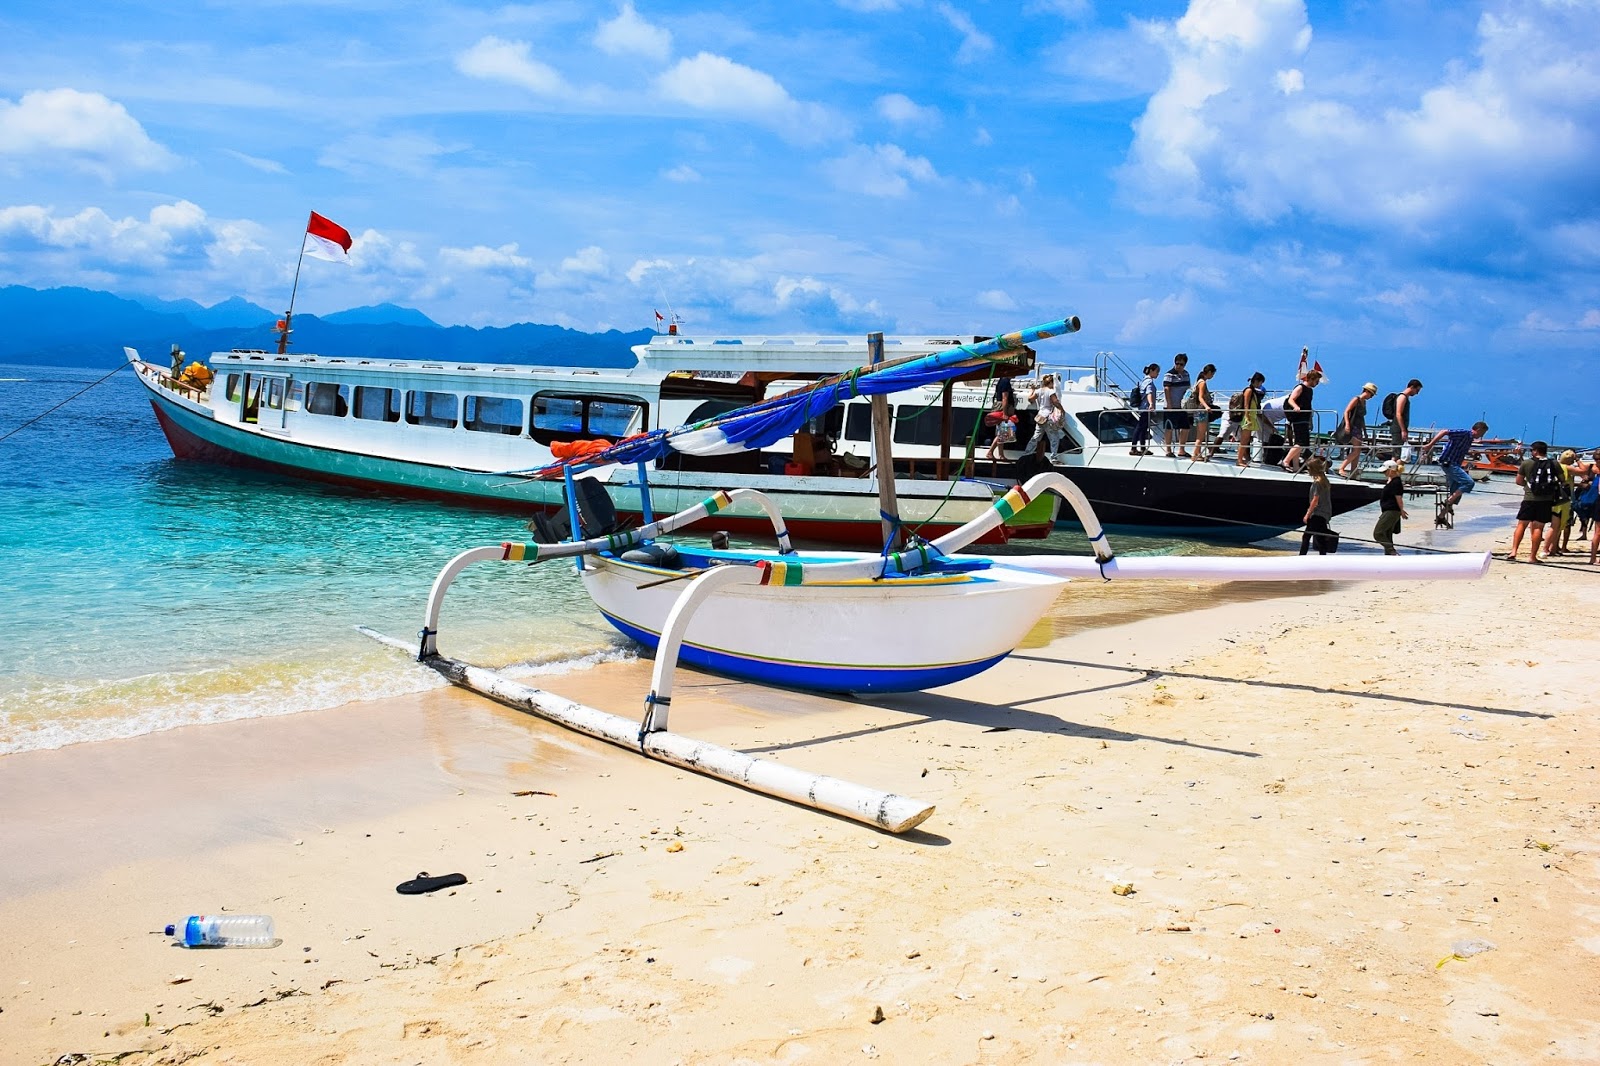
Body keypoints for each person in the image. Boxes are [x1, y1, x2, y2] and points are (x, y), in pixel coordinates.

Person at [1422, 420, 1489, 527]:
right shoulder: (1464, 433)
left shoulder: (1470, 439)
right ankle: (1448, 501)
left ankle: (1441, 516)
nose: (1482, 436)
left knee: (1456, 493)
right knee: (1469, 483)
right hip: (1448, 463)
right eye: (1482, 433)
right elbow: (1444, 431)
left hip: (1456, 465)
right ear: (1478, 430)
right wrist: (1430, 445)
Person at [1507, 440, 1559, 563]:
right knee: (1538, 527)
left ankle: (1514, 551)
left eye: (1531, 450)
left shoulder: (1526, 463)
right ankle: (1532, 557)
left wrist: (1527, 486)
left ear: (1535, 451)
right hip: (1546, 500)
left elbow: (1519, 481)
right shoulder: (1554, 463)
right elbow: (1561, 480)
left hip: (1529, 498)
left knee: (1521, 525)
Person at [1281, 368, 1321, 472]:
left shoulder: (1310, 391)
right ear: (1311, 379)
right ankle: (1285, 461)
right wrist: (1296, 407)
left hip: (1305, 418)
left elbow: (1309, 405)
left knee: (1300, 442)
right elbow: (1291, 399)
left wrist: (1310, 421)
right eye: (1316, 381)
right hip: (1298, 418)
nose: (1317, 383)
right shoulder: (1300, 387)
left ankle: (1295, 466)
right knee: (1301, 442)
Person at [1542, 449, 1578, 557]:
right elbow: (1583, 471)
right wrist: (1578, 460)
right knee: (1561, 526)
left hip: (1554, 499)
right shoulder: (1568, 468)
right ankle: (1553, 548)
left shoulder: (1555, 466)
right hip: (1564, 501)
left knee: (1555, 526)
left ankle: (1553, 548)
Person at [1337, 383, 1377, 479]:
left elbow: (1362, 417)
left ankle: (1353, 471)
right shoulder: (1356, 399)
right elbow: (1347, 411)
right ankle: (1341, 468)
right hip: (1352, 426)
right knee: (1357, 450)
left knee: (1357, 451)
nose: (1371, 397)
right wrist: (1347, 424)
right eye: (1371, 394)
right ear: (1367, 391)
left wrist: (1365, 430)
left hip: (1358, 427)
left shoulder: (1364, 402)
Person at [1299, 456, 1335, 555]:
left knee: (1306, 537)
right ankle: (1323, 557)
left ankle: (1301, 557)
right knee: (1320, 538)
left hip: (1316, 514)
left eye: (1309, 468)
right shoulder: (1325, 480)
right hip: (1324, 513)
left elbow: (1315, 500)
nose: (1308, 471)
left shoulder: (1317, 483)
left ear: (1313, 469)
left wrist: (1307, 514)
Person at [1372, 458, 1408, 554]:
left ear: (1391, 470)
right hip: (1388, 511)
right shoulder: (1392, 480)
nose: (1384, 474)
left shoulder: (1396, 483)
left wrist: (1402, 510)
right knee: (1387, 534)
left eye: (1385, 471)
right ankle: (1389, 555)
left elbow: (1398, 498)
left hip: (1392, 511)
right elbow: (1392, 476)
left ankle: (1392, 551)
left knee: (1378, 534)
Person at [1161, 353, 1192, 458]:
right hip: (1171, 406)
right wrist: (1169, 404)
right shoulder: (1169, 374)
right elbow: (1166, 388)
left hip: (1182, 406)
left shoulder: (1186, 374)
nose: (1179, 366)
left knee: (1185, 427)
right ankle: (1168, 450)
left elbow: (1188, 389)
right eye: (1177, 364)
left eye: (1181, 364)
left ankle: (1181, 449)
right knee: (1169, 428)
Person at [1187, 363, 1219, 460]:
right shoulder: (1202, 383)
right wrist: (1206, 407)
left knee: (1200, 434)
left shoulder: (1199, 382)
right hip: (1201, 410)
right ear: (1209, 372)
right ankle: (1195, 454)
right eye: (1212, 374)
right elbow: (1200, 397)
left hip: (1198, 410)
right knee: (1201, 435)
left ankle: (1197, 453)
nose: (1212, 376)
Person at [1235, 371, 1266, 467]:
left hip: (1251, 417)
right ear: (1257, 381)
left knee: (1247, 439)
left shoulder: (1253, 391)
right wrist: (1247, 417)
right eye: (1260, 382)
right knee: (1244, 440)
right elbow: (1246, 404)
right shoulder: (1249, 390)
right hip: (1247, 417)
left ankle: (1241, 458)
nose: (1261, 385)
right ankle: (1239, 460)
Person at [1389, 379, 1422, 461]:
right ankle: (1392, 472)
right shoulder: (1402, 397)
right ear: (1412, 387)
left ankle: (1395, 472)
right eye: (1417, 390)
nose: (1417, 393)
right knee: (1396, 454)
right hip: (1398, 429)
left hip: (1399, 428)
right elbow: (1398, 414)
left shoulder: (1405, 398)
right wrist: (1403, 430)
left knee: (1398, 454)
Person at [1130, 363, 1159, 456]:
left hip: (1143, 408)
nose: (1158, 374)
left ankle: (1142, 447)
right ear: (1152, 371)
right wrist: (1151, 404)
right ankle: (1134, 448)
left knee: (1143, 428)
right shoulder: (1149, 382)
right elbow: (1149, 393)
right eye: (1157, 372)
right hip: (1146, 408)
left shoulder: (1143, 381)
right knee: (1140, 427)